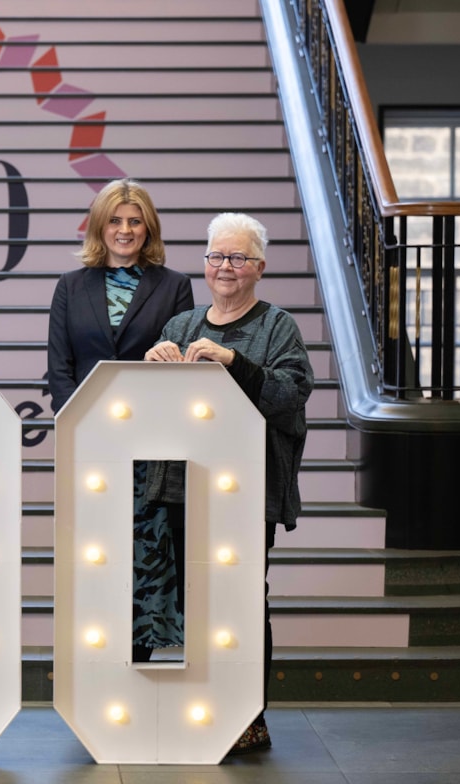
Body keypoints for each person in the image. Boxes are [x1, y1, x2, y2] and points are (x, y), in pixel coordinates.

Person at [145, 212, 313, 755]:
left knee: (243, 603)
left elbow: (291, 396)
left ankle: (249, 717)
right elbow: (157, 415)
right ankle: (204, 709)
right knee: (195, 602)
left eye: (238, 258)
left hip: (248, 493)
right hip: (181, 489)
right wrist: (151, 368)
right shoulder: (181, 325)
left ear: (259, 268)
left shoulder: (278, 326)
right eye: (217, 256)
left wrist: (234, 361)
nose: (226, 268)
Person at [47, 179, 195, 661]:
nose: (125, 230)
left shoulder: (174, 286)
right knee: (95, 556)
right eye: (115, 220)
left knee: (146, 558)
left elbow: (180, 370)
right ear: (98, 226)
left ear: (148, 228)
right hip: (91, 445)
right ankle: (94, 663)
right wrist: (81, 427)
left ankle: (137, 663)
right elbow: (60, 368)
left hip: (150, 449)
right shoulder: (70, 286)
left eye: (135, 221)